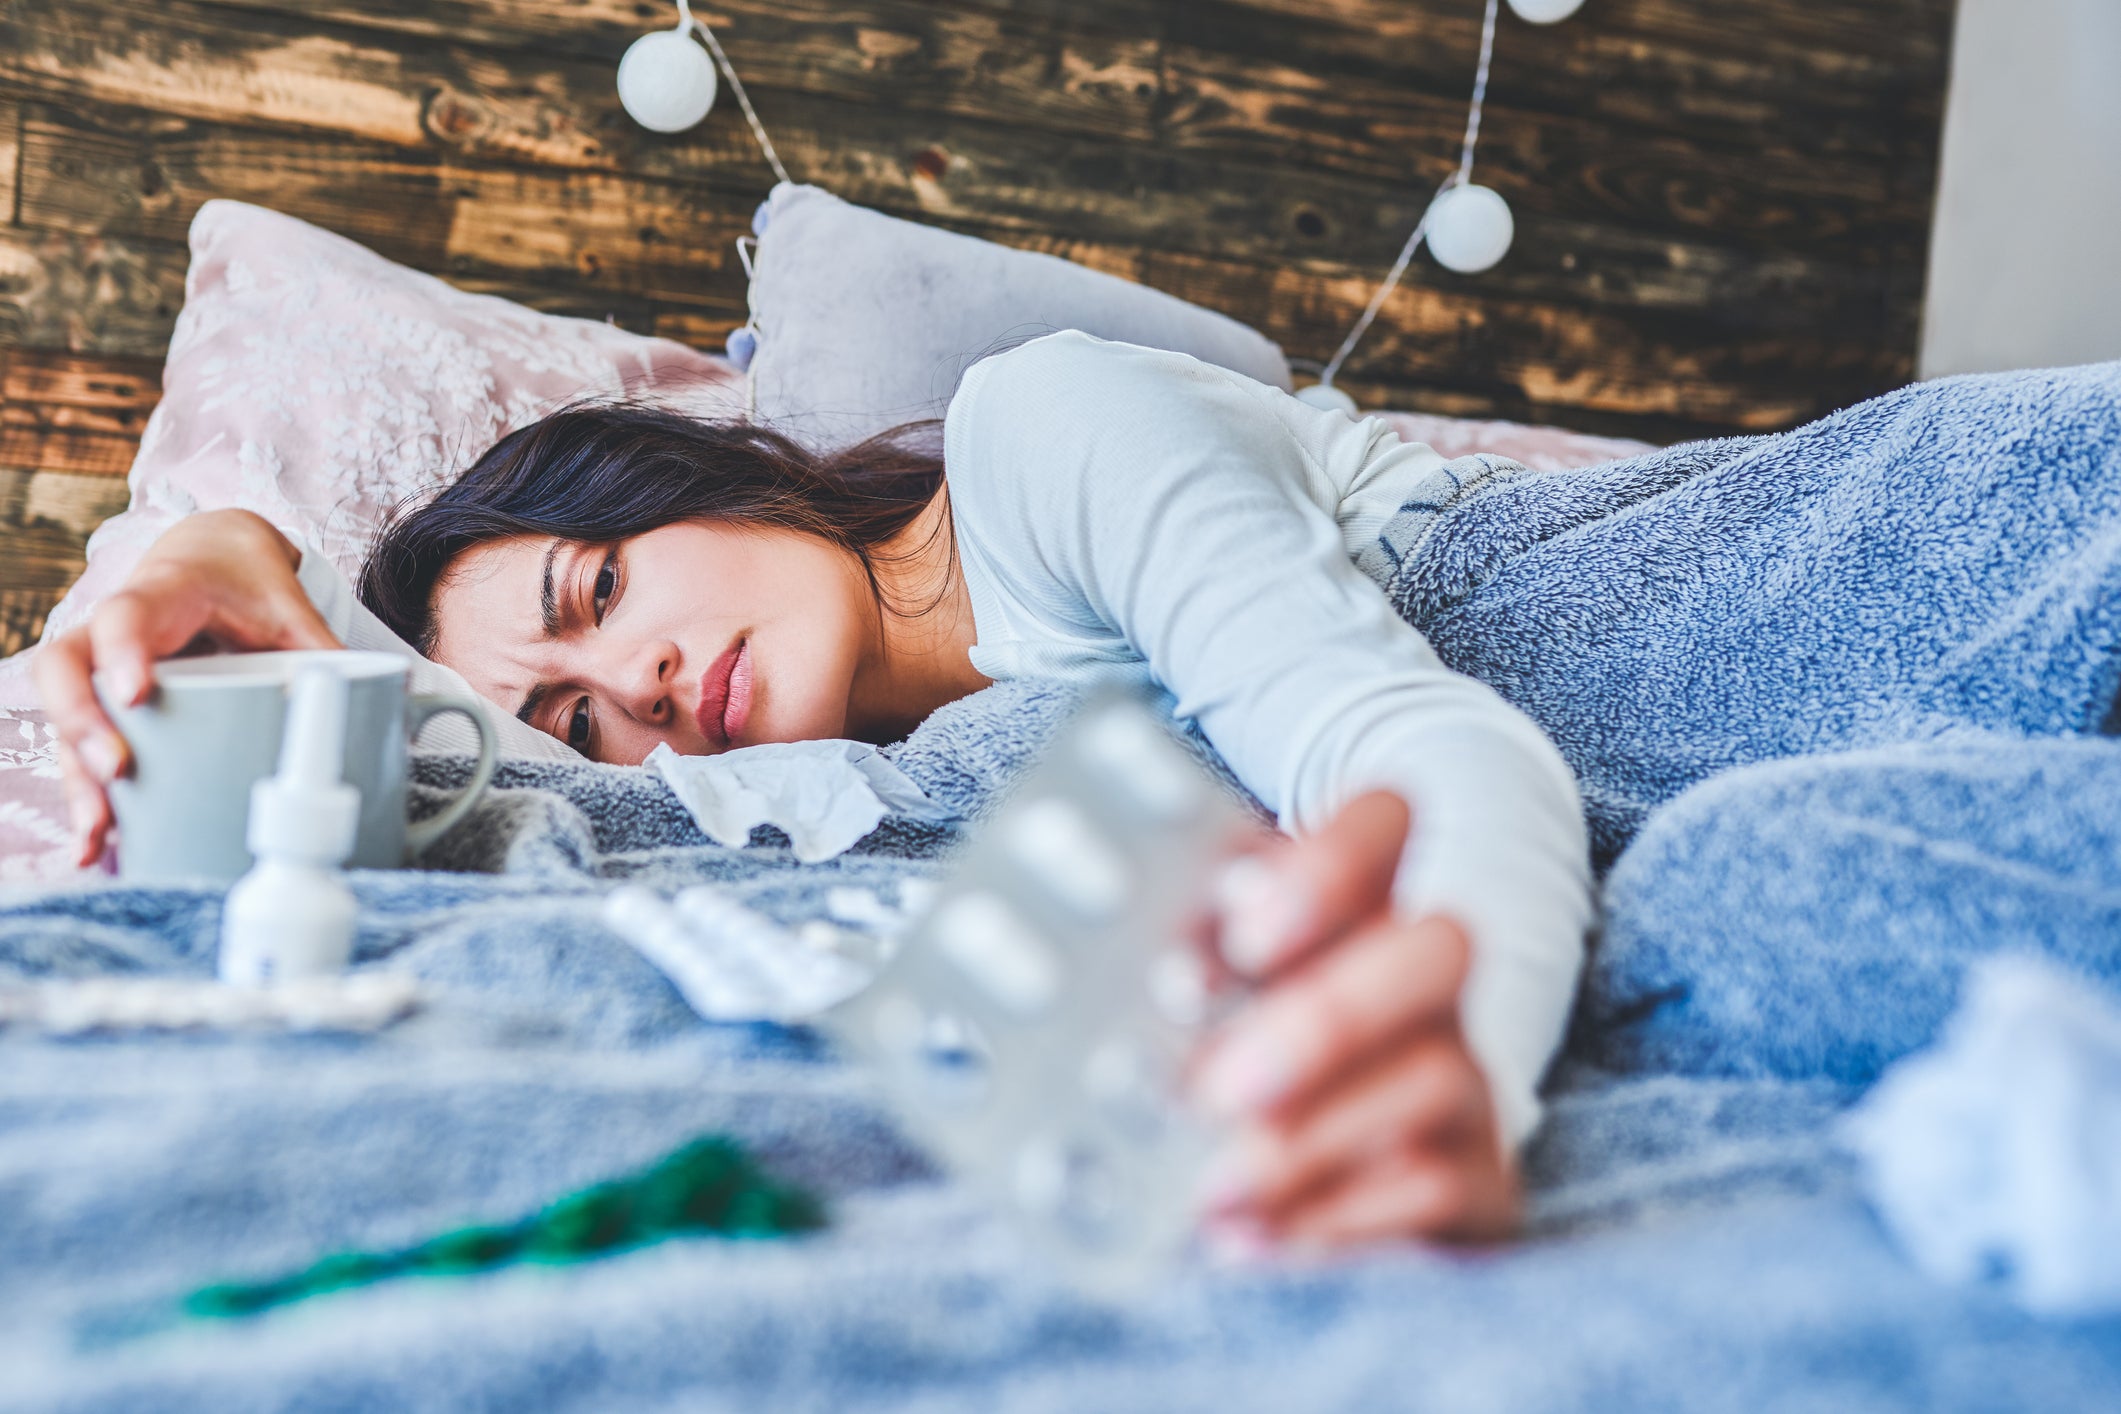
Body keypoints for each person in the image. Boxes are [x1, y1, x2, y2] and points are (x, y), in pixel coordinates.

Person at [39, 330, 2121, 1252]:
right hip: (1701, 779)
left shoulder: (1041, 441)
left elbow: (1421, 747)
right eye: (579, 711)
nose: (641, 696)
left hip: (1835, 559)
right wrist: (187, 545)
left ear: (694, 479)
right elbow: (444, 780)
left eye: (601, 590)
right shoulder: (914, 777)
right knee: (1778, 893)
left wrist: (1457, 1073)